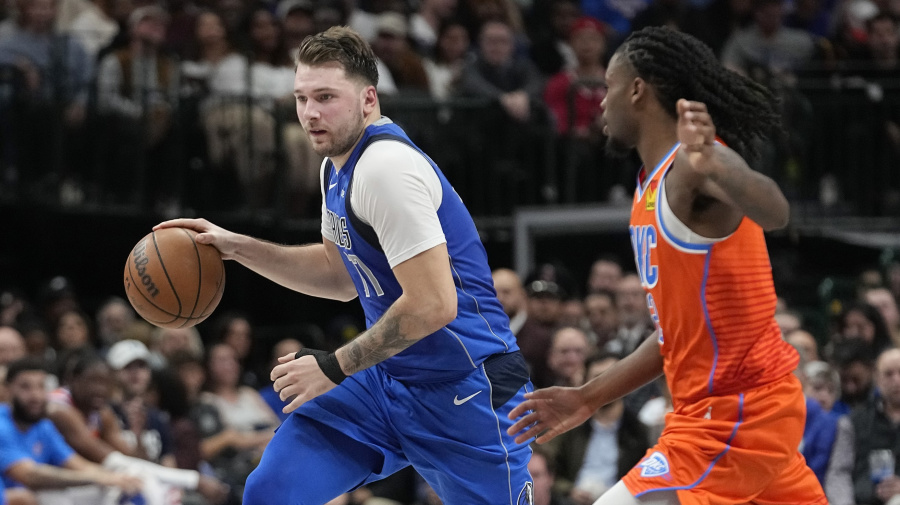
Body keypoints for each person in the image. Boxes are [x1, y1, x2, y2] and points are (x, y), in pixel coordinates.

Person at [155, 26, 532, 505]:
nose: (310, 113)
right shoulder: (336, 163)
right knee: (272, 491)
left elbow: (435, 304)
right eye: (301, 98)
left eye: (326, 97)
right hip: (388, 381)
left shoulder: (385, 168)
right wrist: (237, 247)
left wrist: (334, 367)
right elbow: (339, 277)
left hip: (467, 390)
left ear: (368, 99)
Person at [508, 26, 827, 505]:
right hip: (724, 415)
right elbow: (672, 336)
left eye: (609, 87)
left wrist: (719, 166)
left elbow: (775, 211)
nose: (599, 103)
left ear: (637, 89)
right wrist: (589, 397)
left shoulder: (692, 169)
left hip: (737, 416)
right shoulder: (649, 189)